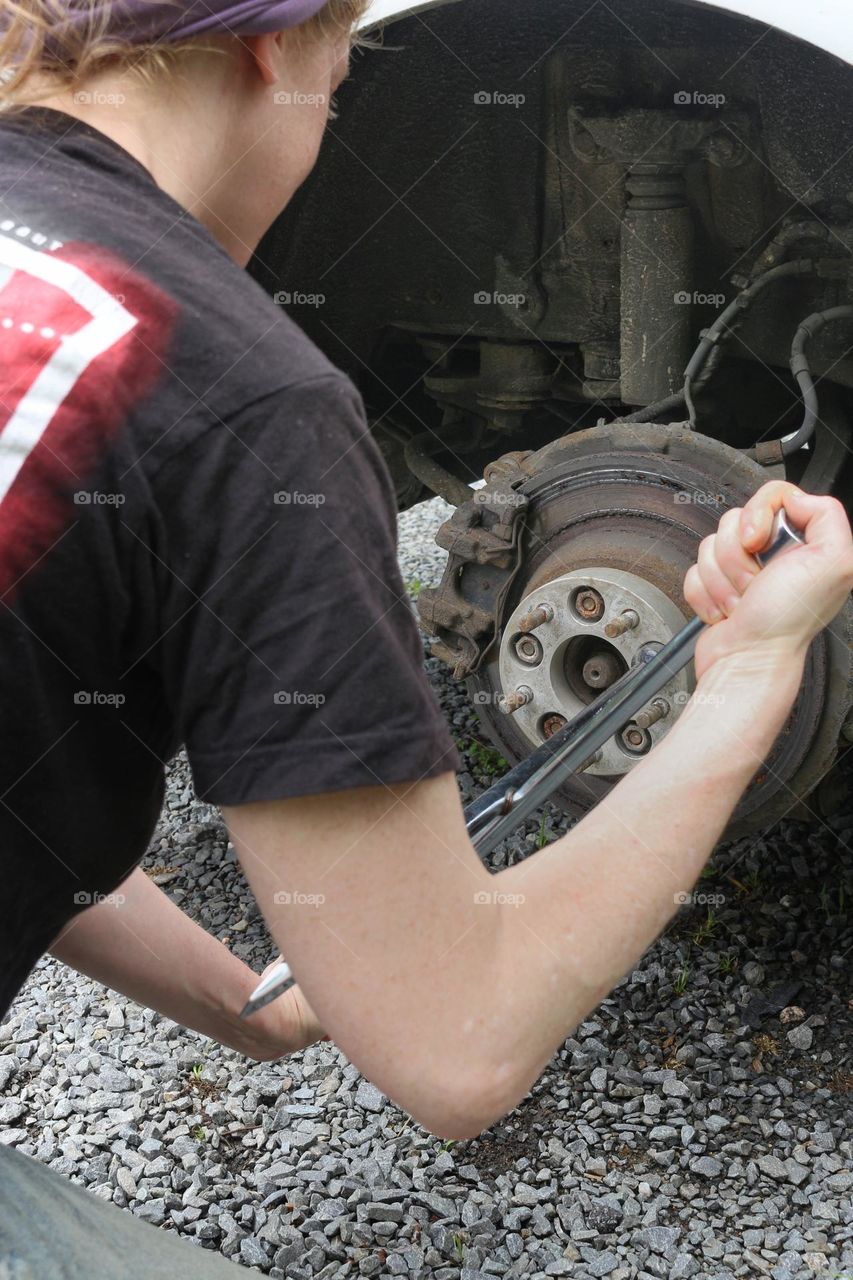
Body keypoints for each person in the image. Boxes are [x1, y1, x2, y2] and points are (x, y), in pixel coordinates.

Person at [0, 3, 851, 1273]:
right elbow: (462, 1040)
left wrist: (263, 1015)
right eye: (347, 76)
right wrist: (750, 671)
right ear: (274, 49)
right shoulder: (244, 400)